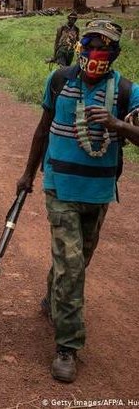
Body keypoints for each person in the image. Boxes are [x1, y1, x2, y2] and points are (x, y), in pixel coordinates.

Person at [16, 19, 139, 384]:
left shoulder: (127, 92)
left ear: (115, 53)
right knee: (72, 266)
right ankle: (67, 346)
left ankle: (53, 297)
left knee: (77, 261)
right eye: (90, 45)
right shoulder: (59, 80)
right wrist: (27, 174)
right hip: (60, 188)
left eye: (104, 47)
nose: (95, 53)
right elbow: (42, 129)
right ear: (79, 47)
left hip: (99, 193)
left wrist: (118, 125)